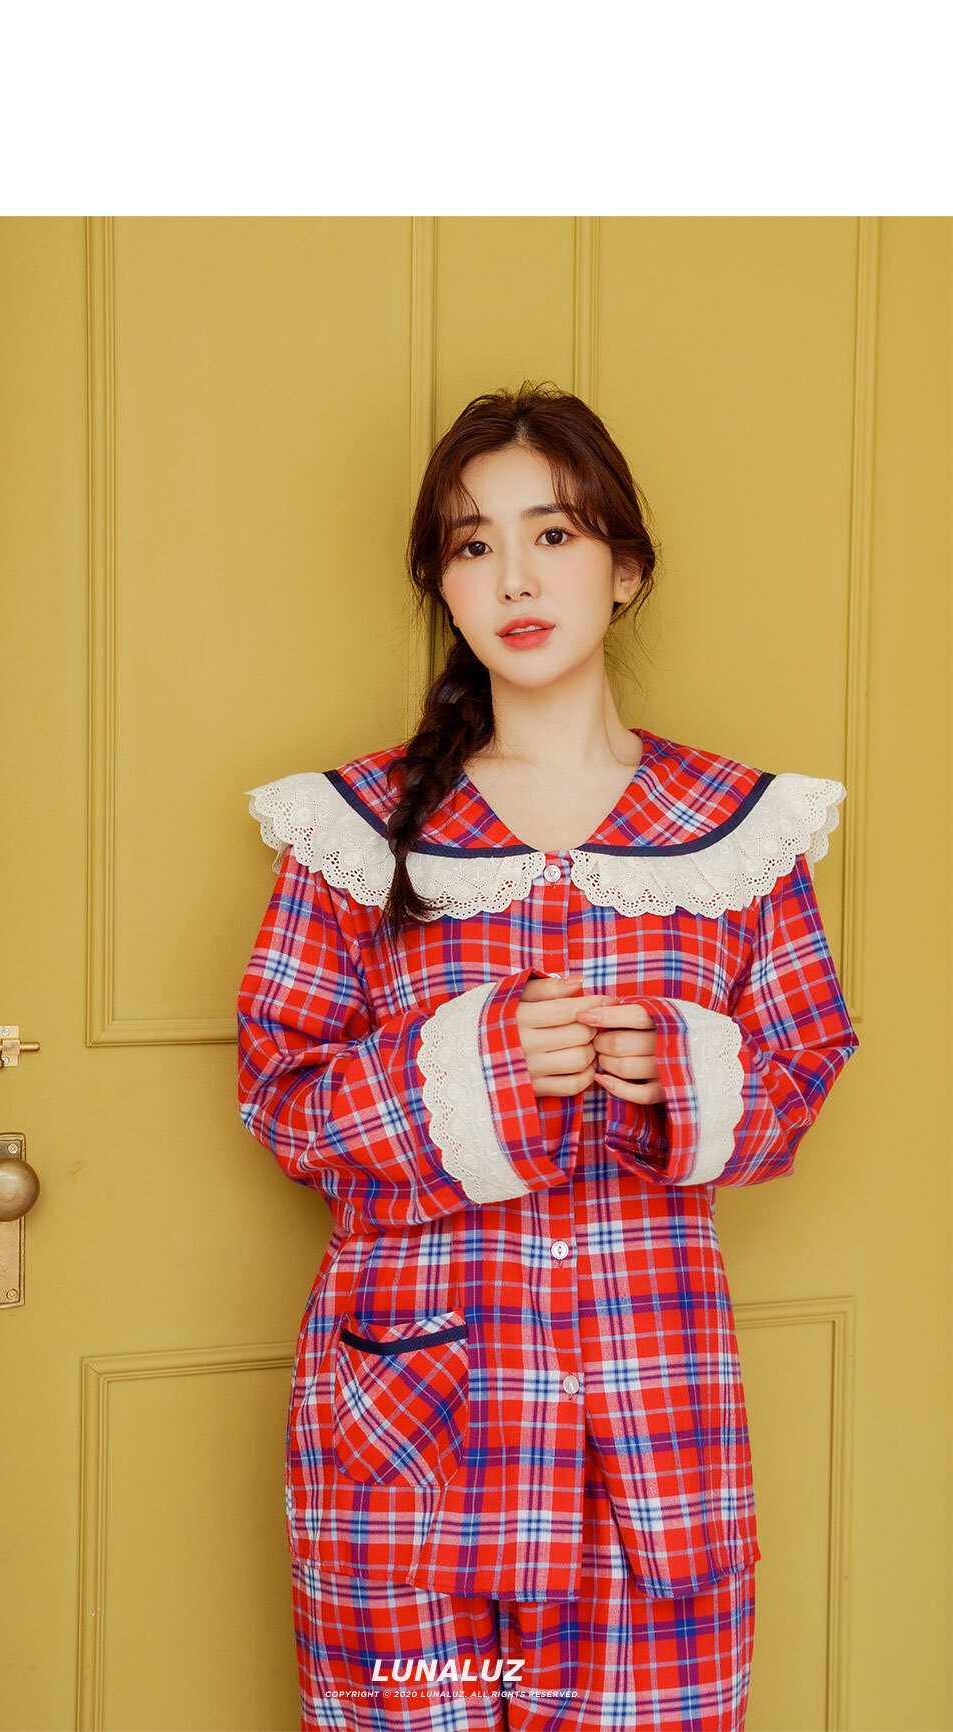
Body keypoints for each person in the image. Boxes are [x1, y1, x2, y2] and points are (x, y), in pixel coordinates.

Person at [236, 383, 859, 1730]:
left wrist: (671, 1068)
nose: (513, 577)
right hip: (411, 1453)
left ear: (625, 568)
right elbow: (284, 1102)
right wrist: (474, 1067)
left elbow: (799, 1077)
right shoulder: (351, 828)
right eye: (472, 544)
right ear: (442, 585)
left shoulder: (741, 831)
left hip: (655, 1443)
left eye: (555, 534)